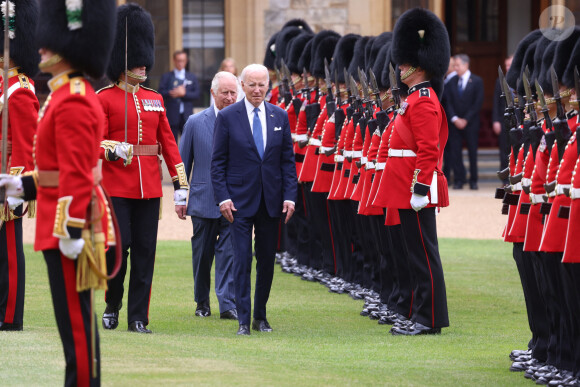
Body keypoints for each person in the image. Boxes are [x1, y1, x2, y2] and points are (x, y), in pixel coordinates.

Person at [0, 0, 116, 384]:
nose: (41, 46)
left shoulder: (74, 99)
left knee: (77, 328)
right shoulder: (63, 94)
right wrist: (19, 185)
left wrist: (70, 230)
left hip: (71, 227)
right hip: (62, 222)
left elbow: (78, 174)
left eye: (51, 42)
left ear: (72, 48)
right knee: (71, 324)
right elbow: (54, 171)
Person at [98, 3, 188, 334]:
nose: (143, 66)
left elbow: (170, 146)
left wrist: (181, 185)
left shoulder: (155, 99)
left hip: (149, 188)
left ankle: (138, 317)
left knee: (146, 254)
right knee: (116, 249)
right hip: (116, 188)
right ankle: (112, 302)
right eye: (137, 60)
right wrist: (114, 149)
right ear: (122, 64)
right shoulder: (104, 98)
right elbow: (94, 142)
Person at [374, 7, 450, 335]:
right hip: (404, 184)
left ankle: (427, 317)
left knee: (423, 256)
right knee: (413, 254)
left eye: (404, 63)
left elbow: (428, 150)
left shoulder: (424, 101)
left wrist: (419, 188)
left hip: (413, 188)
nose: (400, 67)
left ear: (419, 65)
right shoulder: (413, 99)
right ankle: (420, 313)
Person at [211, 63, 297, 335]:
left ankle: (260, 316)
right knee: (242, 260)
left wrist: (290, 197)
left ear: (267, 87)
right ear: (242, 86)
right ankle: (243, 322)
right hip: (238, 202)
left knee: (266, 261)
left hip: (271, 201)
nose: (257, 90)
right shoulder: (227, 117)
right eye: (252, 84)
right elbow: (217, 163)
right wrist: (223, 198)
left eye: (262, 85)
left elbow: (287, 162)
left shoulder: (279, 116)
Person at [177, 71, 238, 320]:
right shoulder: (194, 122)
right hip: (203, 199)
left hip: (235, 200)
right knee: (202, 255)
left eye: (234, 92)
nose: (230, 97)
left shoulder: (244, 121)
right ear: (213, 93)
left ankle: (227, 303)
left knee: (229, 253)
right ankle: (202, 301)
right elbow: (182, 163)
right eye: (225, 92)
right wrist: (181, 198)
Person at [0, 0, 39, 332]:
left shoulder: (20, 89)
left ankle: (11, 316)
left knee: (9, 254)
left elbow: (24, 146)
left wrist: (16, 189)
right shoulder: (3, 84)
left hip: (6, 184)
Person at [442, 54, 484, 190]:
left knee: (472, 152)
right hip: (454, 123)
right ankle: (459, 179)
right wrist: (455, 118)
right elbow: (448, 103)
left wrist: (466, 119)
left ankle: (473, 180)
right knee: (455, 152)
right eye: (454, 65)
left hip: (471, 123)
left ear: (466, 65)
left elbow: (477, 103)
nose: (455, 68)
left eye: (457, 65)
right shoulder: (452, 82)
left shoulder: (477, 81)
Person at [159, 50, 200, 143]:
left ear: (186, 61)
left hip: (187, 115)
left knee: (188, 143)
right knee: (172, 143)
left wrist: (184, 94)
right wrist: (172, 92)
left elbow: (197, 94)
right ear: (174, 60)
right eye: (178, 60)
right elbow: (160, 93)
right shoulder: (167, 76)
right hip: (172, 115)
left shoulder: (192, 77)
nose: (181, 63)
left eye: (183, 60)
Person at [491, 55, 513, 178]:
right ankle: (504, 178)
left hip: (519, 119)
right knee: (504, 150)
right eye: (507, 65)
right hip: (503, 119)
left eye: (510, 65)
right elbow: (496, 102)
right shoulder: (499, 80)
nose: (508, 67)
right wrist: (495, 121)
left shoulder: (522, 79)